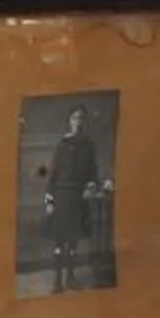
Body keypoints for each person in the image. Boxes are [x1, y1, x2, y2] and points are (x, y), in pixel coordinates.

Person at [42, 105, 107, 289]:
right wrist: (49, 202)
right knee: (59, 242)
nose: (78, 122)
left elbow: (93, 173)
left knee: (73, 242)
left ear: (85, 122)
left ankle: (70, 277)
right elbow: (51, 178)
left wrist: (91, 186)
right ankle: (57, 281)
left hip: (78, 198)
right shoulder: (62, 145)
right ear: (69, 121)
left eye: (81, 118)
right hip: (61, 196)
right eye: (74, 118)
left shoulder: (89, 146)